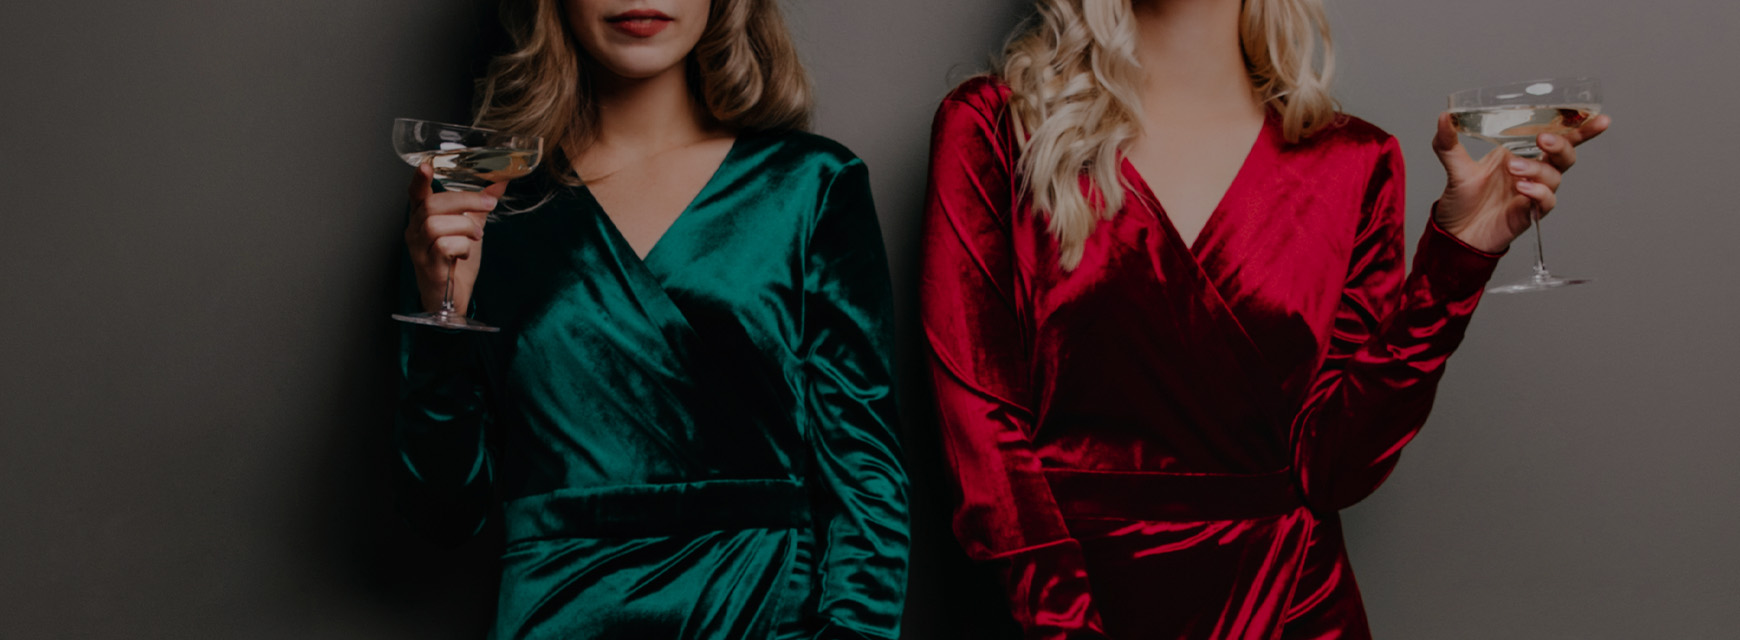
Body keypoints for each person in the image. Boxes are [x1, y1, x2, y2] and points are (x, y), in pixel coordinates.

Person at [919, 0, 1609, 637]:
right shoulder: (992, 127)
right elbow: (982, 437)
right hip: (1068, 612)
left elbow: (1334, 470)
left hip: (1293, 606)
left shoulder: (1355, 160)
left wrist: (1460, 258)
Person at [392, 1, 910, 638]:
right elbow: (444, 517)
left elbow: (867, 479)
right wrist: (439, 320)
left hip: (763, 614)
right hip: (555, 617)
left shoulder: (810, 185)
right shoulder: (480, 198)